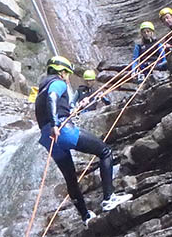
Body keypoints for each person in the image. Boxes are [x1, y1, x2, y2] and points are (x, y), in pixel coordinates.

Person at [35, 55, 130, 224]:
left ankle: (85, 216)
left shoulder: (40, 90)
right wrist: (56, 124)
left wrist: (76, 107)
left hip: (48, 138)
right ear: (61, 72)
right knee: (105, 151)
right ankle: (109, 198)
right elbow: (53, 98)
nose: (68, 77)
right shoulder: (57, 83)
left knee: (70, 178)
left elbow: (56, 106)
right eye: (67, 73)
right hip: (62, 131)